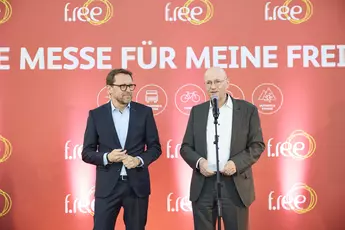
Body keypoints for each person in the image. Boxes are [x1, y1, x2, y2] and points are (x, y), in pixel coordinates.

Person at [180, 67, 265, 230]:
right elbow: (186, 147)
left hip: (235, 184)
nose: (213, 86)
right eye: (209, 83)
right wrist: (199, 162)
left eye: (217, 82)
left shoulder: (247, 110)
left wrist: (236, 163)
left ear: (227, 83)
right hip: (203, 184)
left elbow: (257, 145)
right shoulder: (197, 111)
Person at [81, 68, 162, 230]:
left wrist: (139, 160)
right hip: (108, 187)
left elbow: (155, 148)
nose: (128, 90)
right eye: (123, 86)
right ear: (109, 89)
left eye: (131, 86)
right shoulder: (96, 115)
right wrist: (107, 157)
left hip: (137, 187)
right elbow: (87, 153)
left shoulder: (144, 112)